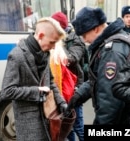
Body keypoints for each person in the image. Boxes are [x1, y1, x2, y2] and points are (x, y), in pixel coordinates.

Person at [66, 7, 130, 125]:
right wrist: (78, 96)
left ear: (95, 29)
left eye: (84, 35)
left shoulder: (112, 51)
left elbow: (110, 101)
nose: (85, 40)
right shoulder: (116, 40)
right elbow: (98, 79)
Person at [1, 17, 68, 141]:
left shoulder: (44, 54)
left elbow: (51, 82)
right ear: (41, 35)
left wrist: (62, 103)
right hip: (28, 125)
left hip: (48, 117)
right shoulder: (16, 55)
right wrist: (37, 91)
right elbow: (7, 91)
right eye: (52, 42)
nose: (53, 47)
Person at [51, 12, 86, 141]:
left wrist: (58, 48)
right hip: (61, 90)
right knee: (66, 127)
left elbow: (72, 58)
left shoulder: (75, 39)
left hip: (74, 89)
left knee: (78, 127)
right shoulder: (55, 39)